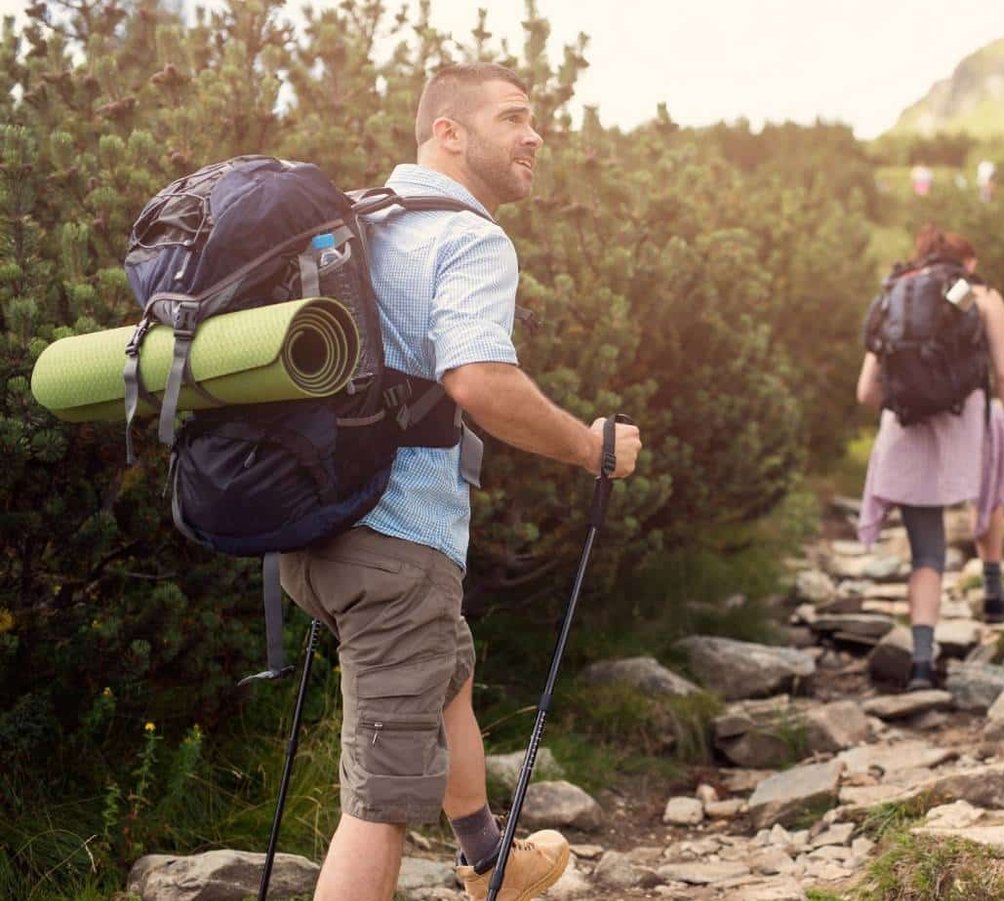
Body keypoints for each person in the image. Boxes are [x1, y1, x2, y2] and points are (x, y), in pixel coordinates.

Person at [279, 63, 642, 901]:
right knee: (382, 800)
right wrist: (590, 446)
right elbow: (478, 381)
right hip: (396, 540)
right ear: (448, 131)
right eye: (513, 117)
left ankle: (488, 860)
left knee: (449, 670)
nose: (535, 134)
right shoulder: (469, 238)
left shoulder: (355, 221)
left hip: (314, 527)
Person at [857, 226, 1004, 690]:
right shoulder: (981, 296)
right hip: (965, 427)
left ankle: (921, 664)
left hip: (905, 430)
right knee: (992, 471)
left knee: (927, 553)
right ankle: (993, 590)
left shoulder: (896, 295)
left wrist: (913, 401)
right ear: (967, 262)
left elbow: (865, 393)